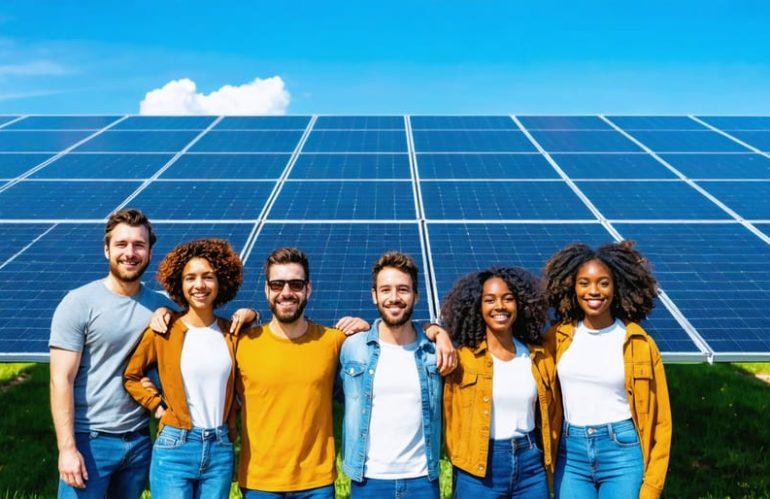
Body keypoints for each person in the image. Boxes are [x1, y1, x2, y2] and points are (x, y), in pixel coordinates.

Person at [236, 247, 454, 498]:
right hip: (265, 483)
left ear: (308, 289)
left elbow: (395, 329)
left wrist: (438, 330)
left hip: (322, 484)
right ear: (266, 289)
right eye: (277, 285)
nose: (286, 292)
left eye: (296, 284)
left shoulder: (338, 342)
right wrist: (250, 313)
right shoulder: (242, 343)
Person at [49, 209, 176, 498]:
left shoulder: (161, 305)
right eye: (121, 244)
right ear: (106, 249)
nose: (130, 253)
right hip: (90, 442)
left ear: (149, 252)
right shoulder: (79, 303)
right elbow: (61, 380)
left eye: (138, 245)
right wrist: (67, 449)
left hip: (140, 441)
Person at [542, 241, 672, 499]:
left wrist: (653, 486)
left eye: (603, 283)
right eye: (584, 283)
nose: (594, 291)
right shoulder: (556, 338)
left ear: (617, 287)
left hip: (623, 451)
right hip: (571, 453)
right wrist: (437, 330)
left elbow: (661, 421)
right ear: (572, 287)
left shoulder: (639, 343)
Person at [124, 238, 243, 498]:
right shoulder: (163, 331)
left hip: (221, 448)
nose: (199, 285)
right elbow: (132, 376)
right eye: (190, 278)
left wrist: (253, 313)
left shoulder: (232, 333)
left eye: (208, 277)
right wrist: (155, 404)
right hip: (175, 447)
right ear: (180, 283)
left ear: (221, 281)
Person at [441, 267, 561, 498]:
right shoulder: (461, 358)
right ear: (478, 306)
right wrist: (435, 330)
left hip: (531, 465)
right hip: (478, 468)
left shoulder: (538, 356)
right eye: (490, 300)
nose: (500, 306)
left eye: (508, 299)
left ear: (520, 305)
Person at [339, 252, 447, 498]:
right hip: (369, 481)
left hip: (422, 481)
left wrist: (438, 331)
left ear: (416, 296)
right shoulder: (352, 347)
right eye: (385, 290)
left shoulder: (435, 352)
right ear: (374, 295)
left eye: (403, 290)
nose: (394, 298)